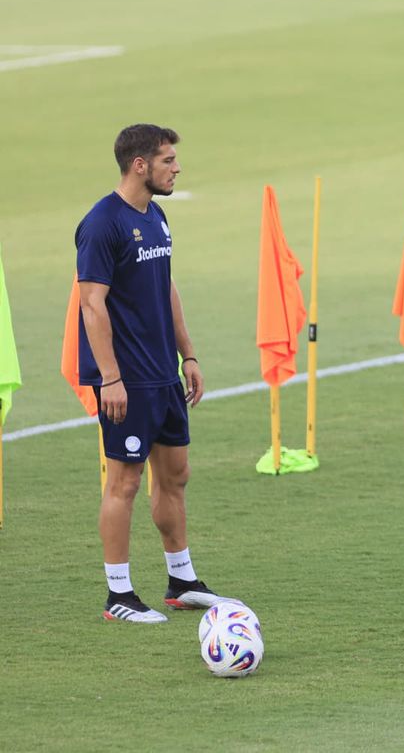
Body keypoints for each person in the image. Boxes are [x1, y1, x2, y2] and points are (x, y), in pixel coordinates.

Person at [76, 124, 235, 623]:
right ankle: (119, 595)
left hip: (163, 373)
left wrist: (188, 355)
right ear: (139, 164)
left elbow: (167, 287)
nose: (177, 168)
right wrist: (110, 378)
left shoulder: (157, 216)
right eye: (168, 160)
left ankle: (181, 580)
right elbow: (91, 304)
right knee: (124, 483)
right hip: (127, 380)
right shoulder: (102, 224)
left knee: (175, 475)